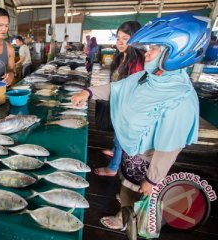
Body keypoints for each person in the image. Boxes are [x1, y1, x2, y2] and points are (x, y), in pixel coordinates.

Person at [72, 12, 210, 239]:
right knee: (125, 186)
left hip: (147, 163)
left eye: (154, 48)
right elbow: (117, 89)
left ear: (176, 53)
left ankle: (125, 220)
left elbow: (169, 149)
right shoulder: (148, 77)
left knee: (136, 195)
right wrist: (88, 92)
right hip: (130, 151)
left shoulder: (180, 99)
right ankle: (126, 208)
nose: (147, 53)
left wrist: (153, 179)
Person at [95, 21, 145, 177]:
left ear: (136, 39)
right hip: (119, 103)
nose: (120, 42)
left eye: (125, 38)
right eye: (118, 38)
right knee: (117, 134)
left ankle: (113, 167)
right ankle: (115, 151)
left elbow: (133, 87)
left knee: (120, 138)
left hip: (128, 107)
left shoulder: (137, 60)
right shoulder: (122, 57)